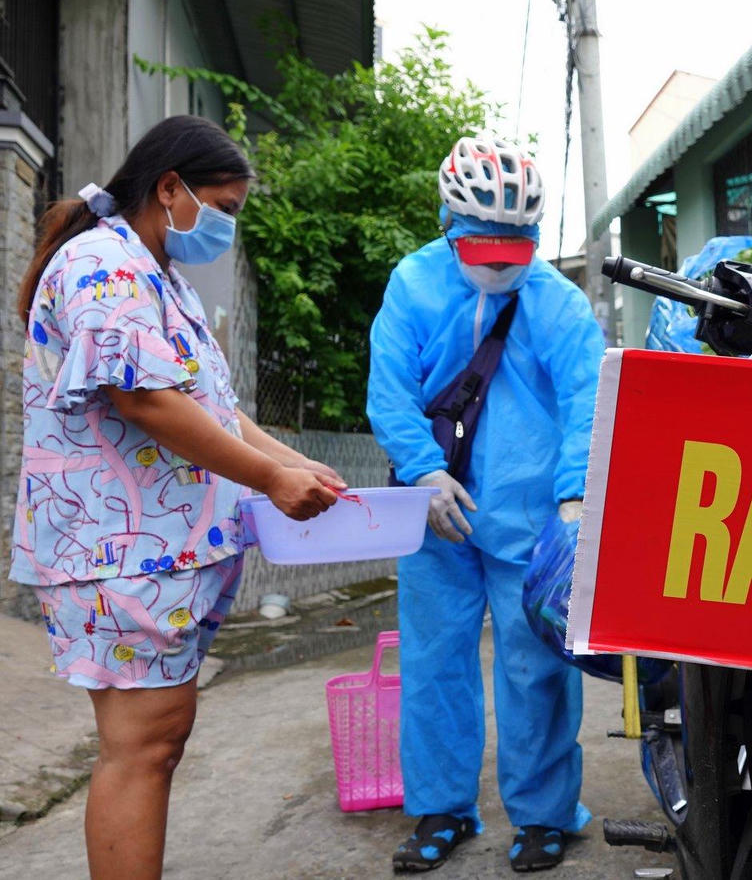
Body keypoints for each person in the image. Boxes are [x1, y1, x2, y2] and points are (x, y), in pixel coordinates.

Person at [11, 115, 343, 880]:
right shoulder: (104, 266)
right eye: (223, 206)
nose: (227, 225)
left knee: (155, 740)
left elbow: (213, 404)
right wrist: (268, 480)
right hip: (117, 552)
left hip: (147, 552)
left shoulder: (154, 272)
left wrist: (298, 465)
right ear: (169, 189)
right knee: (141, 747)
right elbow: (146, 400)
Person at [367, 136, 604, 873]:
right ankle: (442, 809)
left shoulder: (557, 304)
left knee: (535, 666)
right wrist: (423, 471)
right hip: (438, 514)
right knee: (436, 662)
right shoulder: (413, 286)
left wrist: (572, 496)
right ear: (447, 223)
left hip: (534, 520)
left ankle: (545, 814)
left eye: (517, 246)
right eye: (483, 244)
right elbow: (391, 391)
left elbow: (590, 400)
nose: (501, 260)